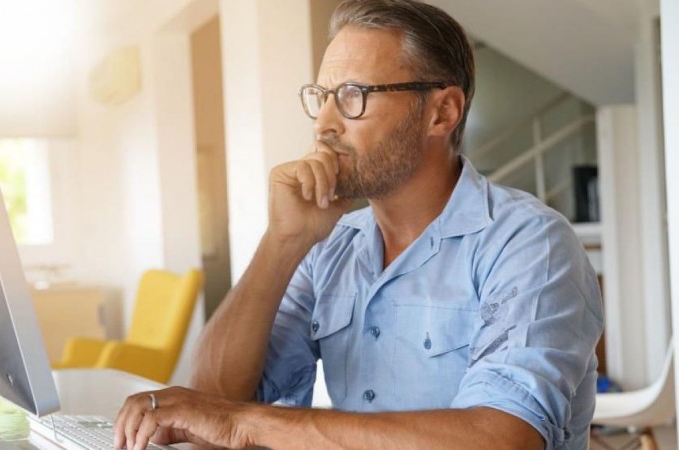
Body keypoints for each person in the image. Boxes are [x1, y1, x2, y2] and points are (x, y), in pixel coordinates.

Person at [114, 1, 603, 449]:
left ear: (442, 112)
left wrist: (248, 423)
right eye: (321, 96)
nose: (324, 123)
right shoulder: (331, 246)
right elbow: (211, 400)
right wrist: (283, 242)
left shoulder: (529, 243)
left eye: (352, 95)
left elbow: (503, 436)